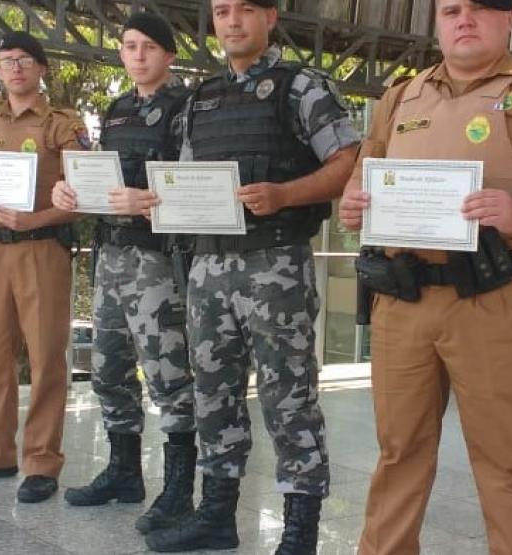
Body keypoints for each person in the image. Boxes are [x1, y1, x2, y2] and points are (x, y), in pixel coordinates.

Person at [338, 1, 512, 553]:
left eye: (482, 7)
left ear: (510, 18)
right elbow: (364, 176)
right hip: (401, 299)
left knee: (510, 459)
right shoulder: (401, 95)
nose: (465, 19)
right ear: (437, 21)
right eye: (451, 9)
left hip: (491, 297)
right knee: (397, 454)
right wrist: (353, 205)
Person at [145, 0, 359, 552]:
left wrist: (286, 194)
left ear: (270, 16)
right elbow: (188, 178)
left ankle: (299, 532)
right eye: (221, 11)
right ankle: (217, 516)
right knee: (213, 394)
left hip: (275, 264)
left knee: (289, 399)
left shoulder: (302, 86)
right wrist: (160, 203)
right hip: (208, 267)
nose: (232, 20)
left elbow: (347, 163)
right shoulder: (201, 97)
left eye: (245, 9)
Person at [51, 12, 196, 534]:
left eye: (148, 47)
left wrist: (152, 201)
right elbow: (97, 177)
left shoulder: (188, 108)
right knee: (109, 370)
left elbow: (198, 187)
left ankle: (178, 490)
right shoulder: (114, 111)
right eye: (129, 46)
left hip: (159, 261)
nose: (137, 55)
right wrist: (66, 191)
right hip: (110, 256)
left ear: (169, 55)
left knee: (168, 376)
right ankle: (123, 473)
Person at [0, 31, 89, 504]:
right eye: (6, 61)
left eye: (25, 59)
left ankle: (42, 462)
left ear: (42, 68)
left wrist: (37, 218)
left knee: (46, 358)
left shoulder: (62, 124)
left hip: (42, 249)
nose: (15, 68)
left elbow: (82, 196)